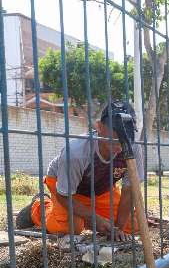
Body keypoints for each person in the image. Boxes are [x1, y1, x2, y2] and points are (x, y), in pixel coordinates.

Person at [15, 100, 143, 242]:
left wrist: (117, 231)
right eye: (115, 130)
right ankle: (40, 205)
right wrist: (94, 219)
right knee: (71, 230)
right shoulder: (77, 152)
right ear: (99, 126)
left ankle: (86, 216)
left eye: (127, 131)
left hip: (101, 189)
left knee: (132, 225)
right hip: (67, 190)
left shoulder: (133, 148)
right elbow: (64, 196)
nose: (121, 139)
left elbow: (129, 191)